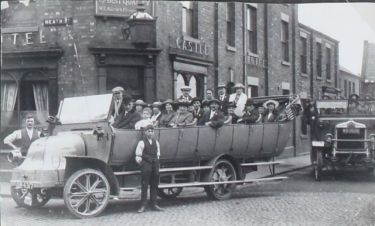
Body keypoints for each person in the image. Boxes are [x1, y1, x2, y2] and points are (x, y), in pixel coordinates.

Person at [135, 124, 164, 213]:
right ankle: (143, 205)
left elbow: (158, 153)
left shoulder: (156, 142)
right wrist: (143, 163)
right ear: (145, 132)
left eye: (151, 131)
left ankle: (154, 204)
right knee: (144, 185)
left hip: (155, 165)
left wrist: (156, 162)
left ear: (153, 132)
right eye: (148, 131)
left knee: (154, 185)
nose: (150, 133)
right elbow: (138, 155)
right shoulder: (141, 142)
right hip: (146, 165)